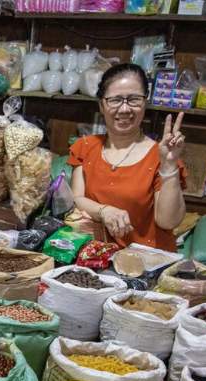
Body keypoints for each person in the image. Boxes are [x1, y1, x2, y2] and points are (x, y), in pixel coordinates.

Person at [69, 63, 188, 252]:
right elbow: (77, 199)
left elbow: (168, 222)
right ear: (102, 105)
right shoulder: (85, 147)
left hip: (146, 262)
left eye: (134, 99)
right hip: (96, 255)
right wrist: (104, 211)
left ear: (145, 103)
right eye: (115, 100)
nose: (124, 109)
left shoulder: (160, 156)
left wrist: (169, 165)